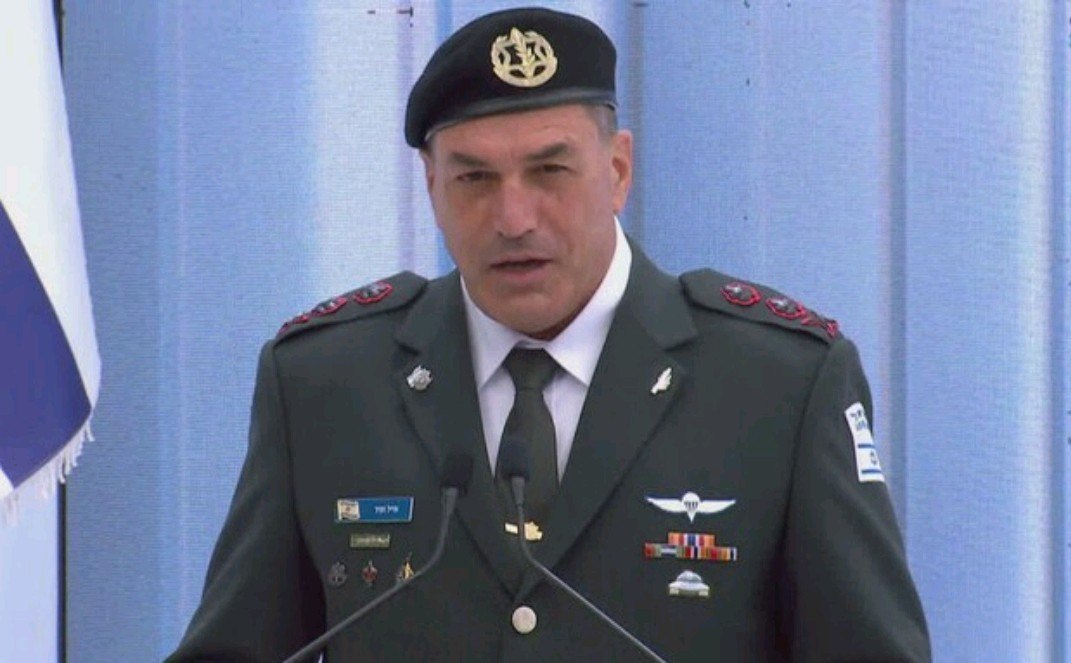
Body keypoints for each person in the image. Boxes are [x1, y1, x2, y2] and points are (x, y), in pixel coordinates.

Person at [167, 7, 930, 662]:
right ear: (431, 187)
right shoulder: (326, 384)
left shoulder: (778, 382)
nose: (514, 218)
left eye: (550, 171)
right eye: (474, 178)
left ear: (618, 170)